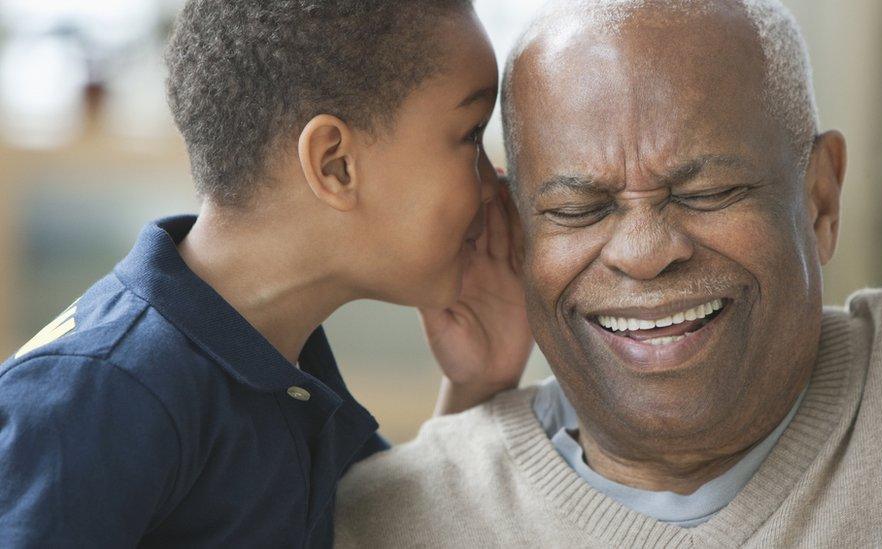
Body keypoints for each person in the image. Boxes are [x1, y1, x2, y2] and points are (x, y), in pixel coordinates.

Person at [335, 0, 882, 546]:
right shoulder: (383, 520)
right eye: (578, 209)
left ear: (820, 200)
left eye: (709, 193)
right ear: (512, 229)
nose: (644, 252)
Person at [0, 1, 533, 546]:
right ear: (335, 164)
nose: (495, 182)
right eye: (470, 135)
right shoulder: (101, 392)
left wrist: (477, 386)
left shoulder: (286, 373)